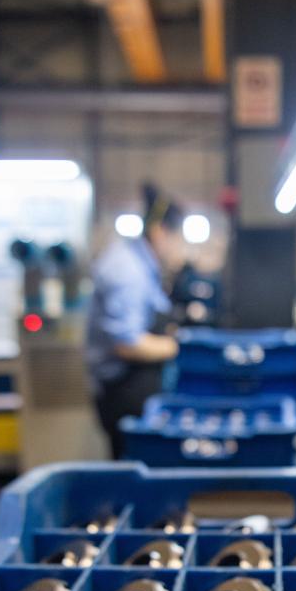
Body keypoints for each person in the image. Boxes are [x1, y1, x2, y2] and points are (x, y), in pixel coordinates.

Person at [86, 184, 184, 457]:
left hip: (130, 386)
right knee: (131, 466)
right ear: (159, 232)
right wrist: (182, 348)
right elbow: (128, 344)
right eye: (176, 237)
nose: (177, 246)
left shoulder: (140, 264)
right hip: (122, 392)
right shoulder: (128, 271)